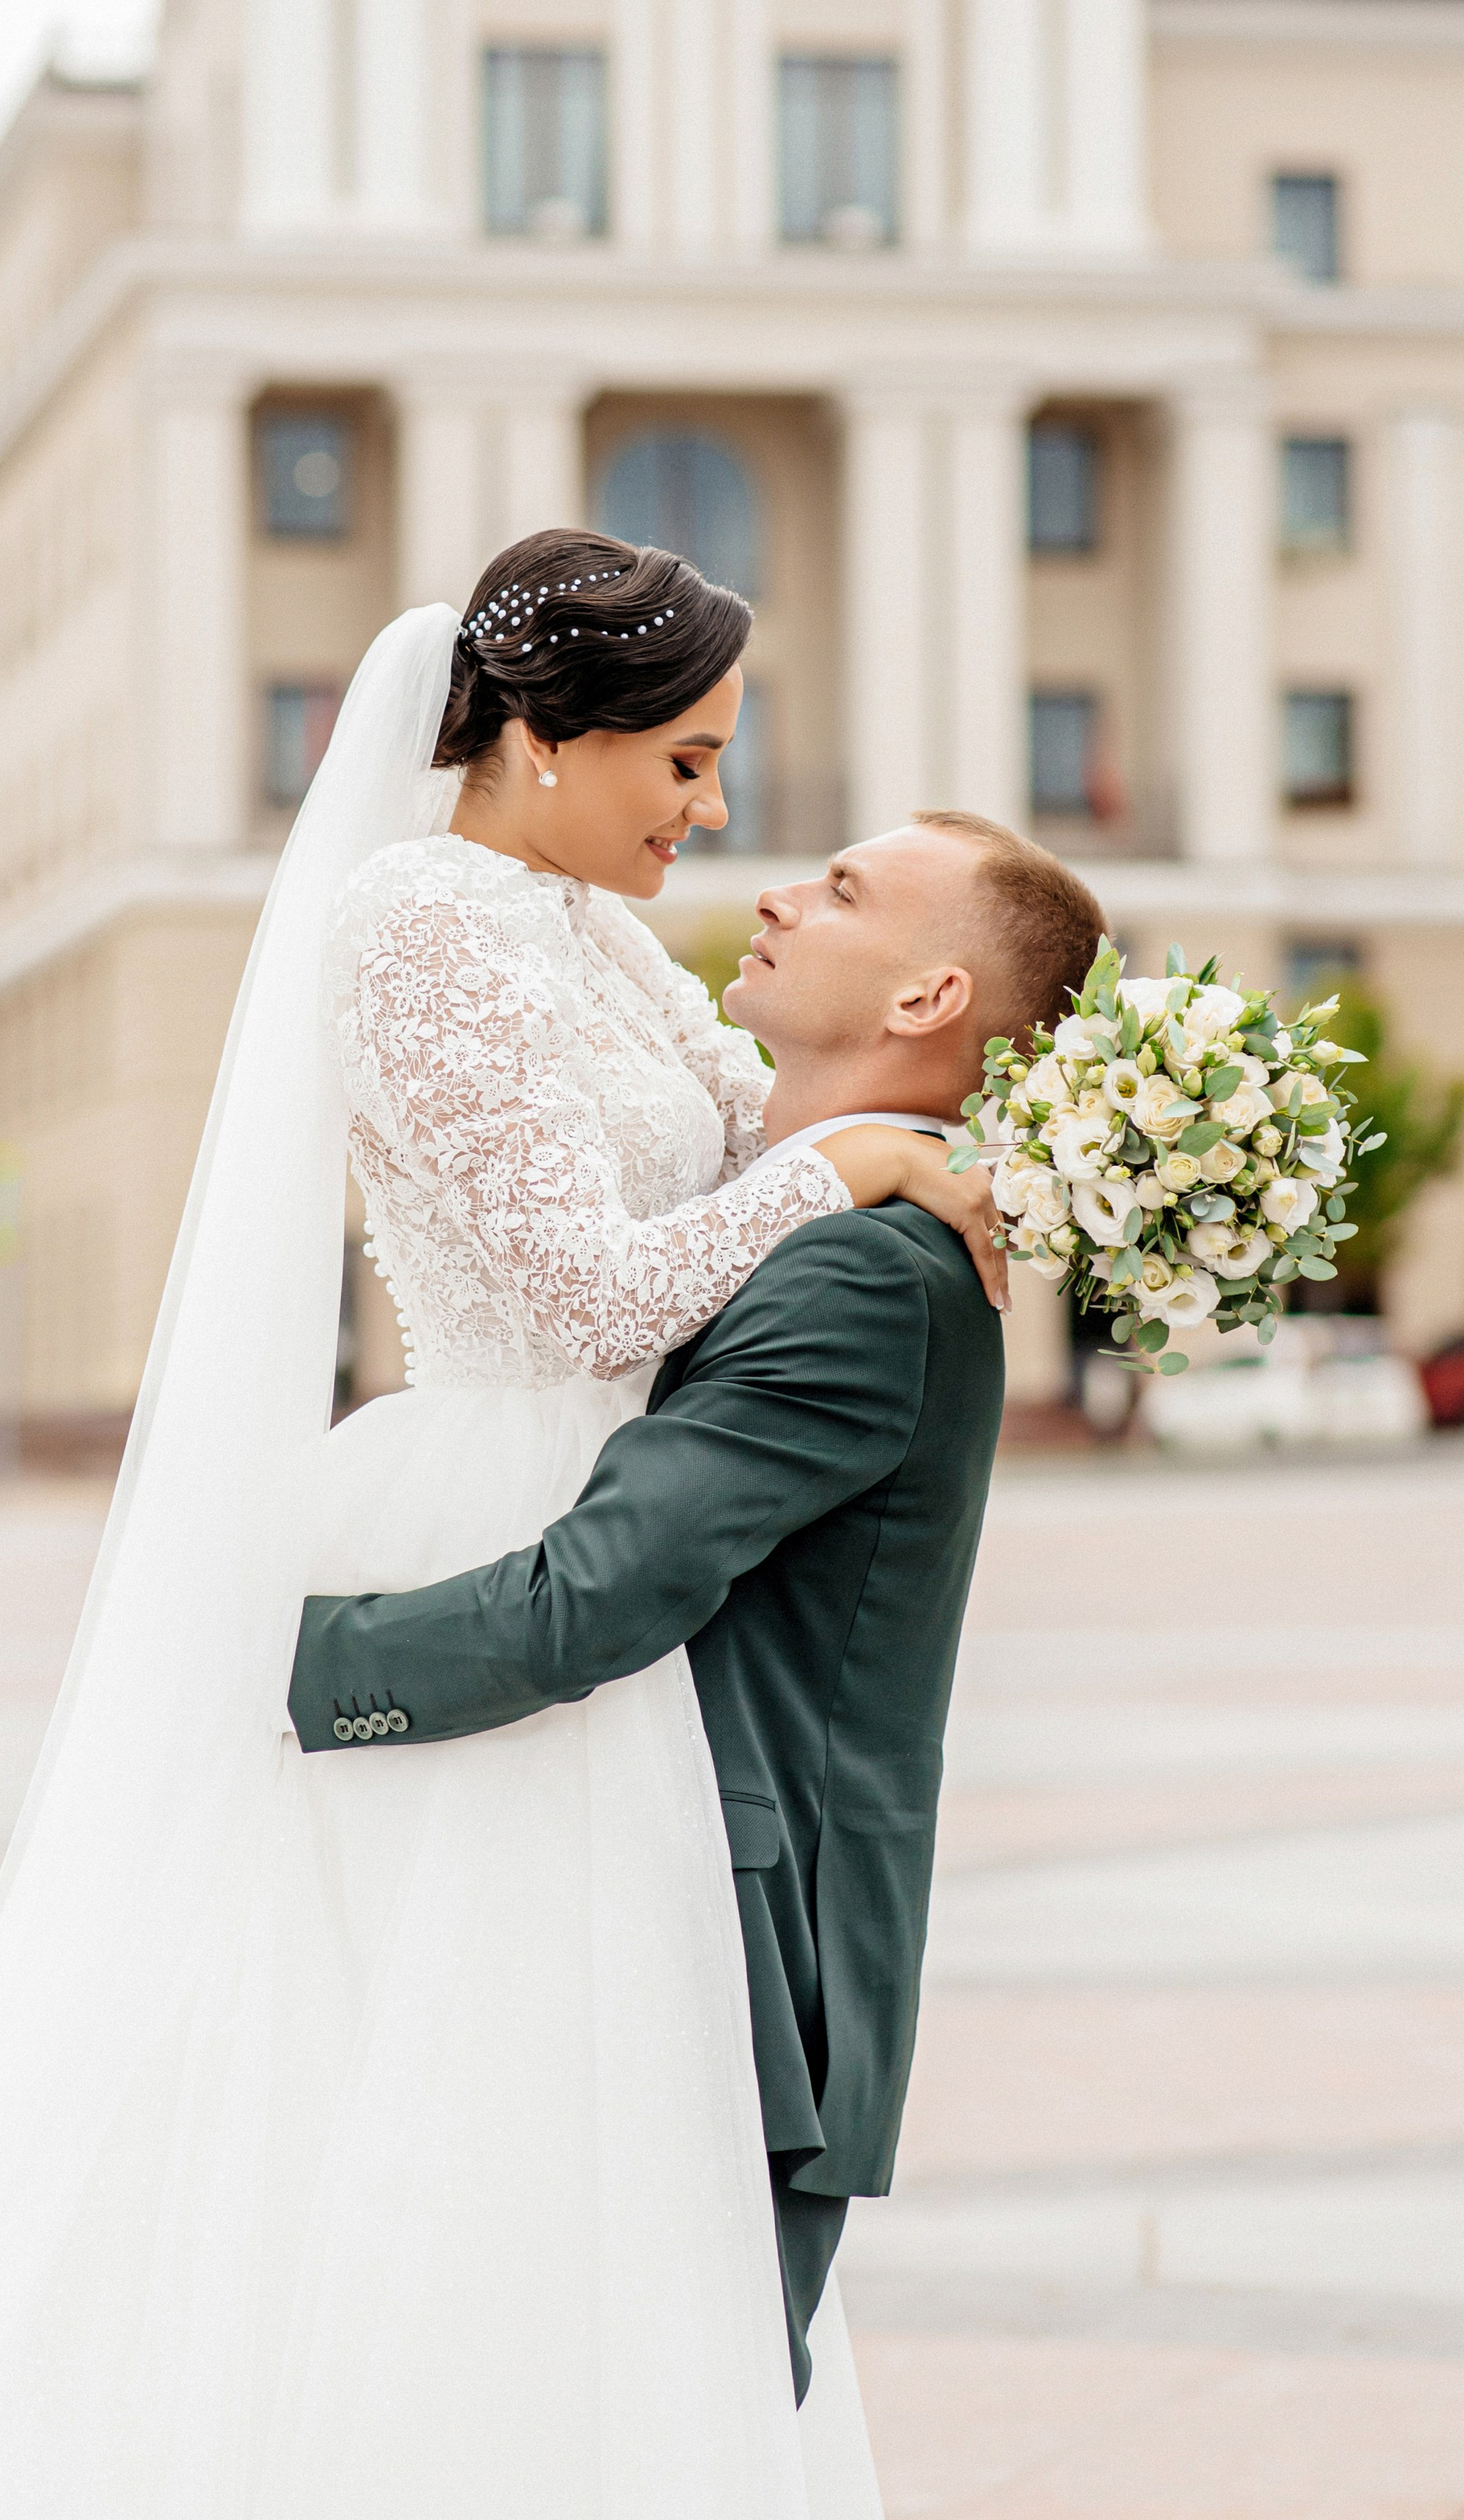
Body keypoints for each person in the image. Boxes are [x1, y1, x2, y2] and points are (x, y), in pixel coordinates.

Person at [0, 532, 1003, 2520]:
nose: (710, 812)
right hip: (484, 1500)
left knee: (536, 2096)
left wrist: (949, 1144)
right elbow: (576, 1294)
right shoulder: (420, 925)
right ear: (546, 740)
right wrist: (849, 1174)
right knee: (384, 2051)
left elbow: (750, 1137)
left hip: (599, 1509)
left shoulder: (592, 930)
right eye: (685, 763)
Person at [288, 813, 1105, 2408]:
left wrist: (274, 1674)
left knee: (659, 2431)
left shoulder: (862, 1274)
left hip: (728, 1953)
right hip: (627, 1912)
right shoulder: (806, 1221)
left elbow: (591, 1599)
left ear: (930, 997)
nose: (781, 888)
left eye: (847, 889)